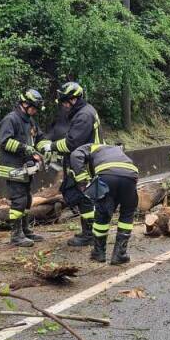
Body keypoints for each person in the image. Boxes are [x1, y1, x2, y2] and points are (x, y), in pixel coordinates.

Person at [37, 81, 103, 247]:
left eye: (66, 102)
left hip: (86, 163)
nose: (64, 106)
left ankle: (90, 235)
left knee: (85, 198)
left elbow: (71, 143)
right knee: (85, 197)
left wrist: (50, 146)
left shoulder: (84, 115)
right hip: (86, 161)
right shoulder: (83, 111)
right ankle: (91, 232)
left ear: (74, 99)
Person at [69, 143, 139, 264]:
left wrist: (83, 181)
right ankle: (120, 254)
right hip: (130, 175)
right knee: (127, 213)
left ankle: (99, 253)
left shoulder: (90, 147)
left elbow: (75, 155)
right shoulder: (117, 149)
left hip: (107, 175)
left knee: (103, 215)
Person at [0, 89, 46, 247]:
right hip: (13, 167)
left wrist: (46, 148)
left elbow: (39, 138)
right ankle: (16, 235)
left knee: (27, 199)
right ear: (24, 104)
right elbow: (4, 142)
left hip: (25, 167)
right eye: (33, 107)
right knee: (19, 200)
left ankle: (25, 230)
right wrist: (26, 149)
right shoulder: (11, 119)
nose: (35, 111)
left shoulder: (30, 120)